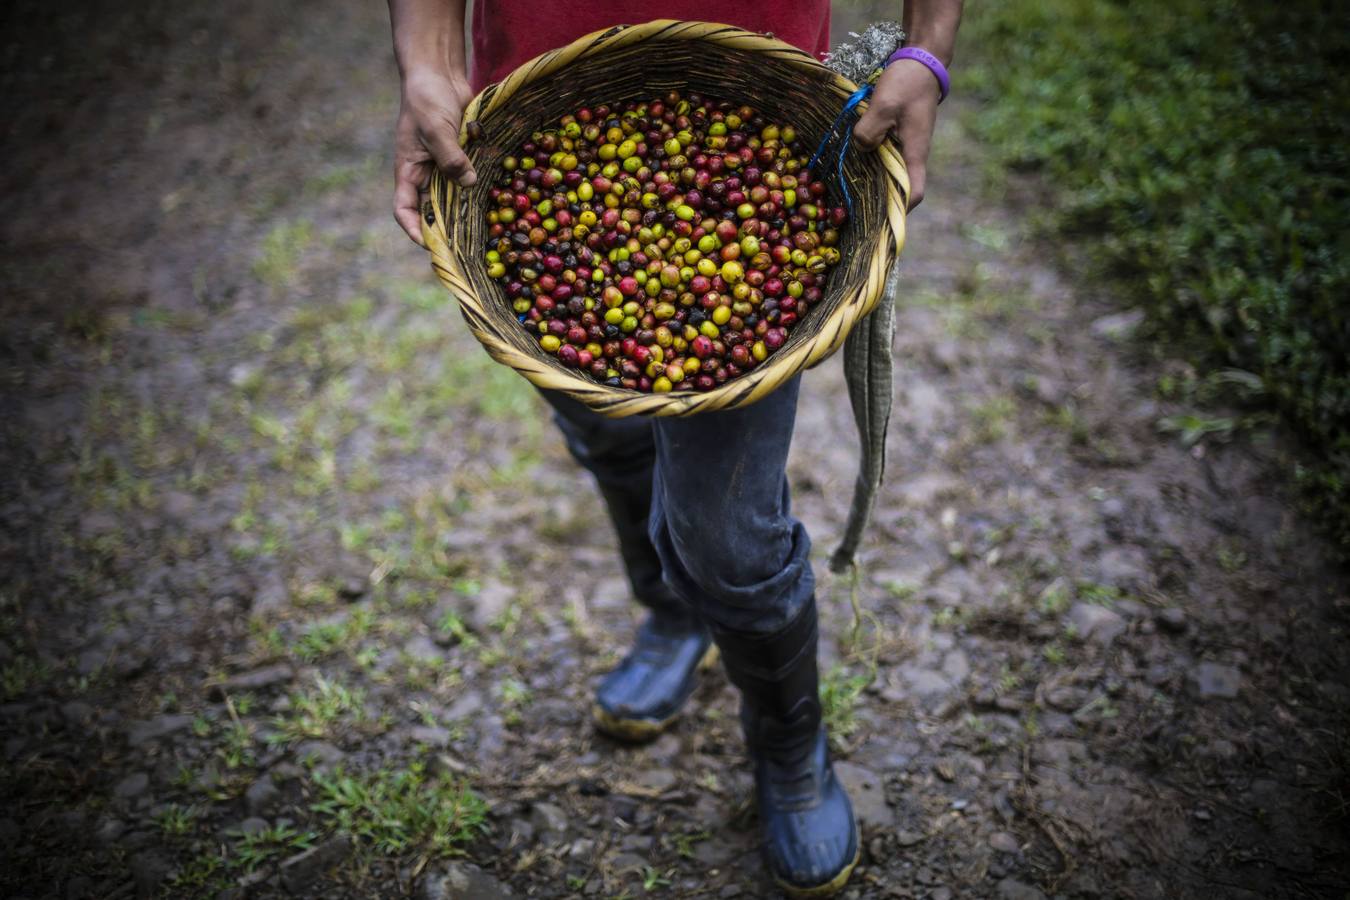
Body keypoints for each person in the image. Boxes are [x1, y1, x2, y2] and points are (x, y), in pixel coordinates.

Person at [385, 2, 962, 895]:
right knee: (602, 428)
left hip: (760, 98)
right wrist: (424, 59)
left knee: (727, 533)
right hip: (530, 130)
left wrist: (928, 47)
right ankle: (673, 612)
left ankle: (788, 742)